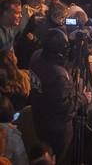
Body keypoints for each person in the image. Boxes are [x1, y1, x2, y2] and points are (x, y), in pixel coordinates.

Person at [29, 29, 80, 161]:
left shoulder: (35, 58)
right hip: (58, 129)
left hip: (40, 119)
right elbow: (66, 108)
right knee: (58, 158)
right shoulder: (58, 75)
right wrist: (83, 98)